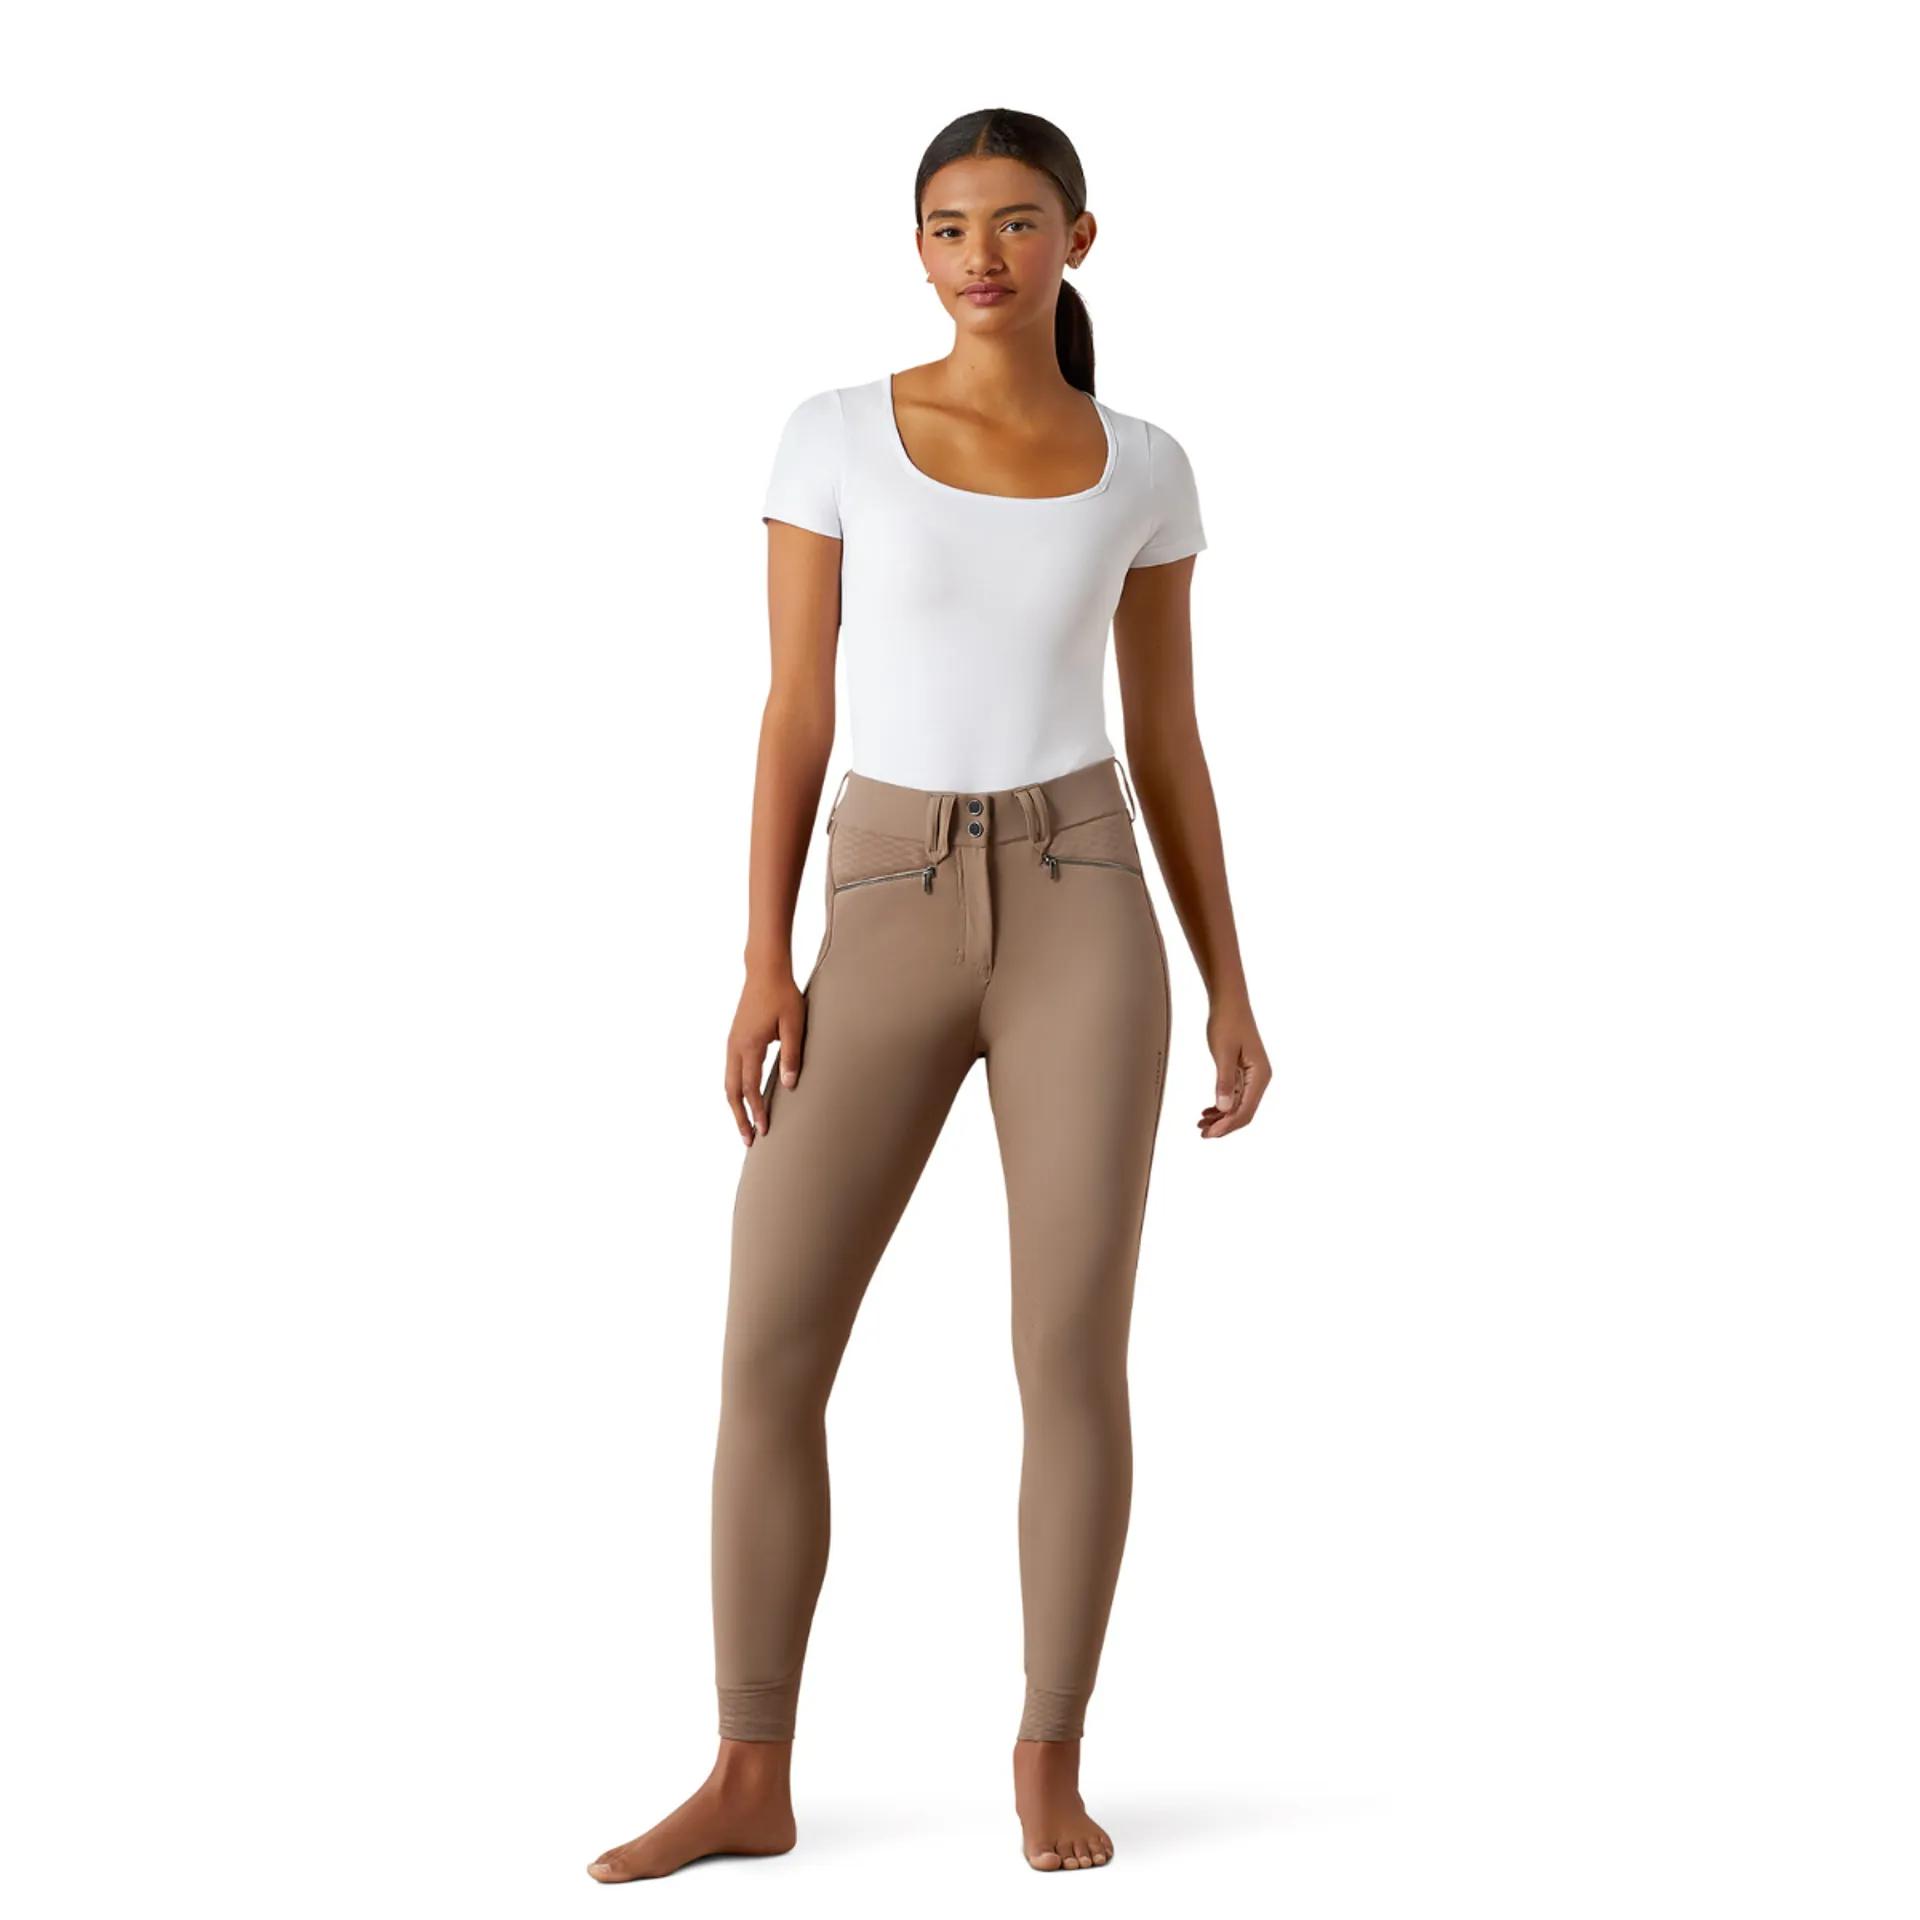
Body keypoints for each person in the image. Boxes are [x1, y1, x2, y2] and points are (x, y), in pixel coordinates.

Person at [589, 106, 1269, 1883]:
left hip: (1083, 904)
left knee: (1068, 1351)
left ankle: (1048, 1756)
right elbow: (795, 711)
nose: (983, 254)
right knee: (768, 1342)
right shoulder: (832, 435)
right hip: (880, 900)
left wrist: (1230, 981)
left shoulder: (1145, 466)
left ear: (1079, 241)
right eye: (952, 225)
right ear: (918, 246)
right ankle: (748, 1772)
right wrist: (763, 958)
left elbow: (1171, 741)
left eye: (1019, 222)